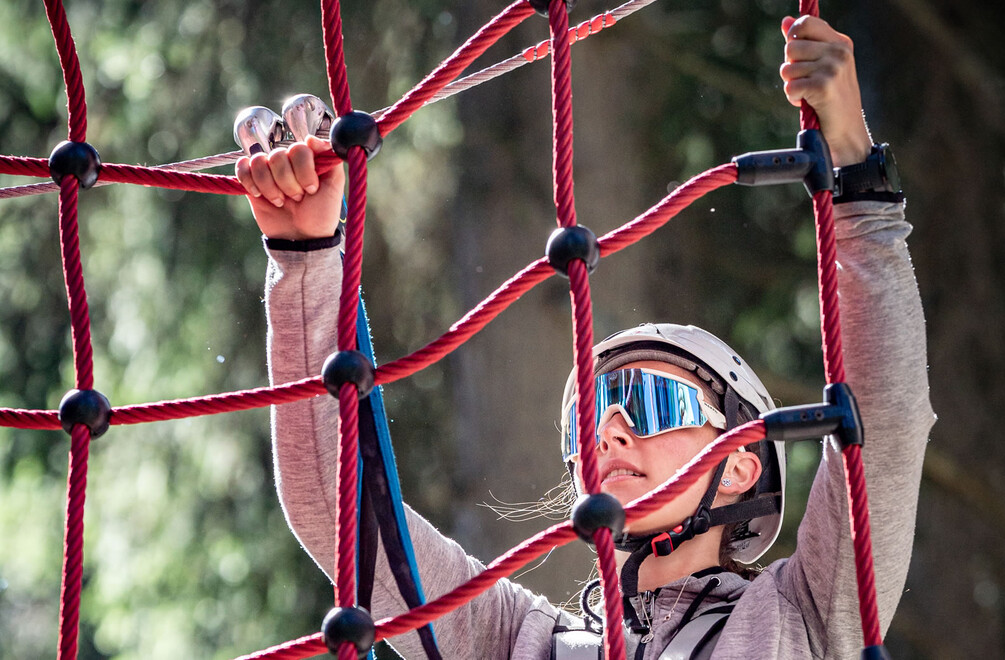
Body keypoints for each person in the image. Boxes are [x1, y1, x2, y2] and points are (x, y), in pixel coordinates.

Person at [238, 14, 934, 659]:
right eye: (588, 419)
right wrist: (305, 260)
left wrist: (857, 173)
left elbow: (883, 421)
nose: (612, 432)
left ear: (745, 462)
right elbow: (338, 516)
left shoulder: (803, 616)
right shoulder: (520, 640)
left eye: (657, 404)